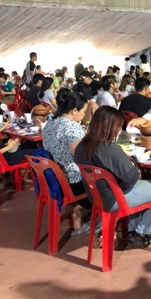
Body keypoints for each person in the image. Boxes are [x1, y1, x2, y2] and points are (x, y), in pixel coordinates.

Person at [74, 106, 151, 247]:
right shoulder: (111, 149)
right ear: (112, 127)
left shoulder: (81, 146)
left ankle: (132, 228)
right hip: (115, 199)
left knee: (140, 188)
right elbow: (131, 177)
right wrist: (130, 163)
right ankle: (140, 232)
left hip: (96, 197)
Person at [42, 90, 91, 228]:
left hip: (55, 178)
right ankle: (77, 208)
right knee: (108, 184)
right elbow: (81, 156)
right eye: (83, 111)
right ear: (74, 110)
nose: (84, 114)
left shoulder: (50, 124)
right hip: (73, 181)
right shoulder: (72, 127)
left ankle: (77, 216)